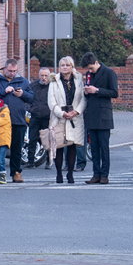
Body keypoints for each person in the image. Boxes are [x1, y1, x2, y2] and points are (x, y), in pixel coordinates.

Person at [0, 58, 34, 182]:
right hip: (1, 122)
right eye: (10, 71)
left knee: (17, 148)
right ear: (5, 68)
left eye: (14, 71)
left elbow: (31, 98)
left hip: (18, 120)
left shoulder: (23, 81)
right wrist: (3, 91)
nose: (12, 73)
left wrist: (22, 95)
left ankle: (16, 172)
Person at [80, 52, 119, 184]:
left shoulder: (109, 73)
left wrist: (96, 90)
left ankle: (104, 174)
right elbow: (88, 94)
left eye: (91, 68)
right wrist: (86, 92)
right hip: (91, 114)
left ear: (96, 62)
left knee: (104, 147)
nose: (89, 71)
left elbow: (114, 93)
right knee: (94, 147)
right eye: (88, 69)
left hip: (103, 115)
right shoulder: (89, 75)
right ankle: (96, 174)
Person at [48, 56, 86, 184]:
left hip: (74, 117)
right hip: (59, 117)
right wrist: (61, 113)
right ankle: (59, 173)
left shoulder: (79, 79)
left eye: (67, 65)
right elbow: (51, 101)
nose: (65, 67)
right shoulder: (54, 81)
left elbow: (83, 98)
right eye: (62, 65)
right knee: (59, 145)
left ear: (72, 67)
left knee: (72, 146)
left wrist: (76, 111)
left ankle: (70, 173)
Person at [27, 67, 52, 169]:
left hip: (47, 117)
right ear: (39, 75)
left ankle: (49, 161)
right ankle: (30, 161)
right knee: (32, 139)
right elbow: (27, 98)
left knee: (48, 140)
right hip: (35, 116)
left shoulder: (52, 86)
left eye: (46, 76)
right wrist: (30, 109)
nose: (44, 78)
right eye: (42, 75)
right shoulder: (33, 85)